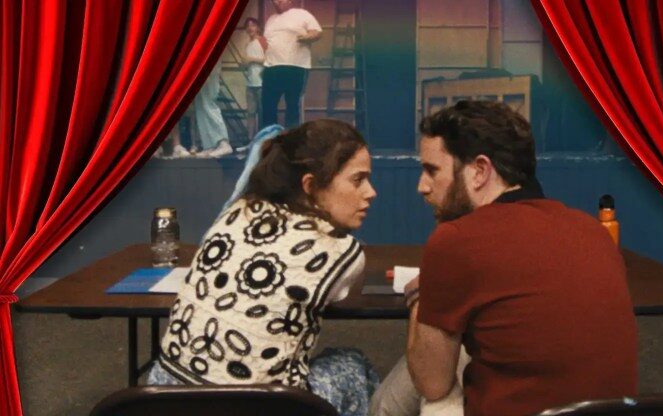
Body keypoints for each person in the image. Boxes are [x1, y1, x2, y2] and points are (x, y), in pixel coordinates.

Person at [370, 100, 638, 416]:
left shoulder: (457, 239)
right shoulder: (592, 230)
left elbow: (432, 383)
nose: (422, 186)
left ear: (480, 171)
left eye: (432, 170)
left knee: (427, 397)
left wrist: (421, 294)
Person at [148, 119, 380, 416]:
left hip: (163, 399)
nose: (371, 192)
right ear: (310, 185)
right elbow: (336, 293)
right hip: (260, 407)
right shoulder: (340, 250)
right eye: (358, 180)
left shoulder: (238, 211)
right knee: (353, 364)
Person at [260, 0, 322, 128]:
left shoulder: (302, 14)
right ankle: (270, 137)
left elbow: (317, 32)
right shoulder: (271, 19)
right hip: (271, 67)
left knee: (292, 105)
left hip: (295, 66)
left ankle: (292, 138)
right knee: (268, 105)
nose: (277, 2)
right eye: (274, 0)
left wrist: (307, 37)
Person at [194, 60, 233, 158]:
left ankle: (223, 143)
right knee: (200, 105)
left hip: (207, 63)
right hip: (197, 65)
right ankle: (209, 145)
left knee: (209, 103)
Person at [242, 17, 267, 144]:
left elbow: (269, 60)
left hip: (262, 83)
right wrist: (245, 63)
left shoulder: (262, 41)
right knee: (250, 113)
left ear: (257, 27)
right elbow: (246, 63)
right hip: (250, 83)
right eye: (248, 25)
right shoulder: (247, 44)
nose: (250, 28)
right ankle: (250, 139)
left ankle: (263, 139)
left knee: (263, 112)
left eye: (252, 25)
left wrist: (252, 59)